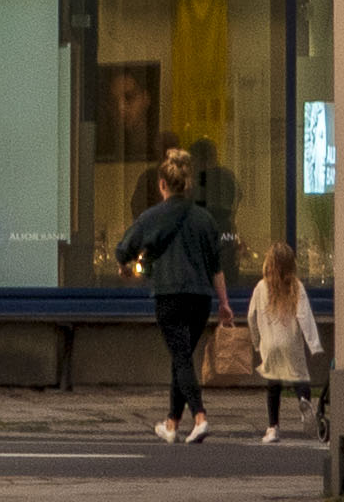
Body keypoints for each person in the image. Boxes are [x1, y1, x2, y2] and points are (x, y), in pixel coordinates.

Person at [122, 166, 237, 443]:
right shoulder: (205, 219)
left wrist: (126, 265)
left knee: (181, 357)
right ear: (188, 186)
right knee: (182, 356)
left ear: (163, 185)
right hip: (200, 299)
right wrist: (224, 302)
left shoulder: (153, 217)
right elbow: (216, 267)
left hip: (169, 296)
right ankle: (172, 423)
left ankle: (200, 416)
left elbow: (126, 248)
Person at [248, 244, 323, 444]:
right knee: (299, 376)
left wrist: (257, 342)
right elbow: (304, 316)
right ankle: (303, 400)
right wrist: (314, 344)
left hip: (270, 344)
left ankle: (273, 428)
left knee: (273, 385)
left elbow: (251, 316)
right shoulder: (296, 287)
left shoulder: (260, 287)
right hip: (291, 341)